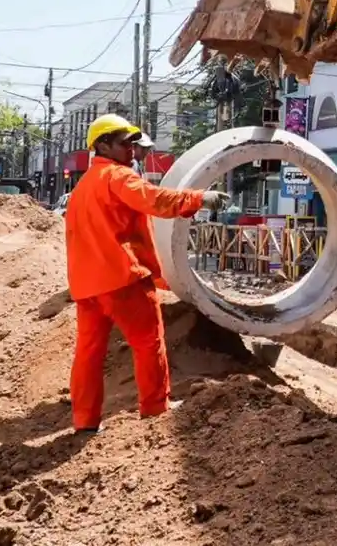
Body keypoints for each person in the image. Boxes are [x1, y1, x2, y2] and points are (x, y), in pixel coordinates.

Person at [65, 113, 229, 433]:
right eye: (124, 143)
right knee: (148, 342)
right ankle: (156, 408)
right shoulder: (117, 177)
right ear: (102, 145)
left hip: (87, 286)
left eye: (132, 143)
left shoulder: (84, 187)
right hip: (121, 279)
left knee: (88, 354)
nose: (131, 149)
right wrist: (199, 198)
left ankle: (84, 421)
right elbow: (154, 200)